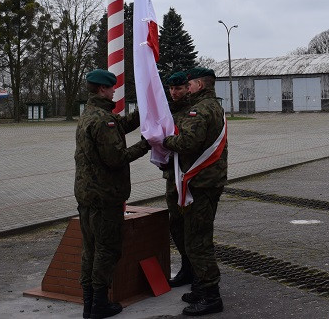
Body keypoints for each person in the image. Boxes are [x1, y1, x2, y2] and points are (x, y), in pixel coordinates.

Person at [75, 69, 149, 319]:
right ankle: (99, 304)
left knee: (90, 249)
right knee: (106, 250)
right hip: (104, 197)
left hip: (87, 196)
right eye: (112, 87)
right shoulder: (102, 120)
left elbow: (121, 125)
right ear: (101, 89)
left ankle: (89, 304)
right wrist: (146, 144)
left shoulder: (90, 115)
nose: (115, 90)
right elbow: (116, 158)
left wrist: (145, 111)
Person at [163, 67, 228, 316]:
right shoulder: (213, 105)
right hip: (205, 181)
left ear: (199, 85)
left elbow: (188, 143)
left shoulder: (199, 109)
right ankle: (201, 287)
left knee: (198, 241)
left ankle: (211, 296)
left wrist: (163, 141)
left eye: (188, 84)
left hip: (201, 183)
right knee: (194, 236)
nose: (186, 88)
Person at [162, 71, 193, 287]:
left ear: (187, 88)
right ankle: (186, 266)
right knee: (175, 223)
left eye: (178, 88)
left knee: (192, 225)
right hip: (172, 175)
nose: (174, 92)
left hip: (190, 176)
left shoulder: (193, 111)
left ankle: (196, 269)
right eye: (171, 89)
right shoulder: (166, 111)